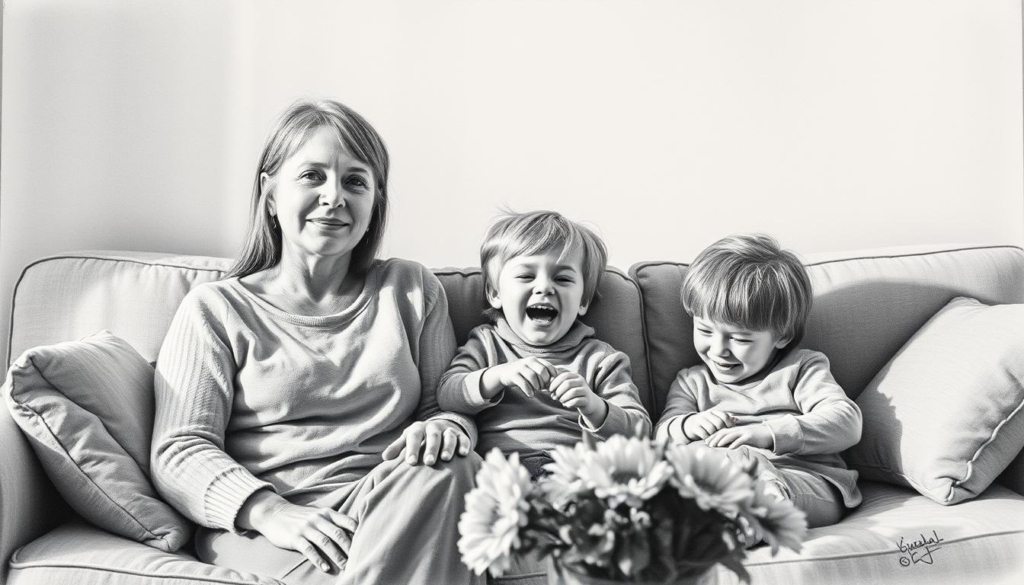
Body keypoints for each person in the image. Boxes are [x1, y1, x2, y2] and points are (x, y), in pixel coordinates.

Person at [151, 99, 483, 585]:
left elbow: (446, 406)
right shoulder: (216, 309)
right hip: (278, 528)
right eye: (312, 176)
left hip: (395, 503)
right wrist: (268, 512)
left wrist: (448, 429)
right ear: (270, 192)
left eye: (355, 181)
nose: (334, 196)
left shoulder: (411, 289)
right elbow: (180, 448)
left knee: (455, 467)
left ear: (375, 203)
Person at [654, 234, 862, 528]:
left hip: (806, 485)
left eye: (739, 338)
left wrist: (767, 433)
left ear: (782, 336)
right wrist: (686, 425)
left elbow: (847, 423)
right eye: (704, 330)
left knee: (740, 464)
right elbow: (660, 436)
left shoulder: (801, 368)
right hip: (720, 488)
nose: (718, 350)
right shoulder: (692, 382)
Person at [437, 210, 650, 480]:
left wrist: (595, 406)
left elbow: (641, 431)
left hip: (576, 475)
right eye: (526, 276)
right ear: (494, 293)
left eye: (562, 279)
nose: (544, 288)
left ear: (583, 301)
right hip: (498, 475)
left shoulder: (601, 359)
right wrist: (498, 375)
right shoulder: (486, 343)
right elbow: (448, 393)